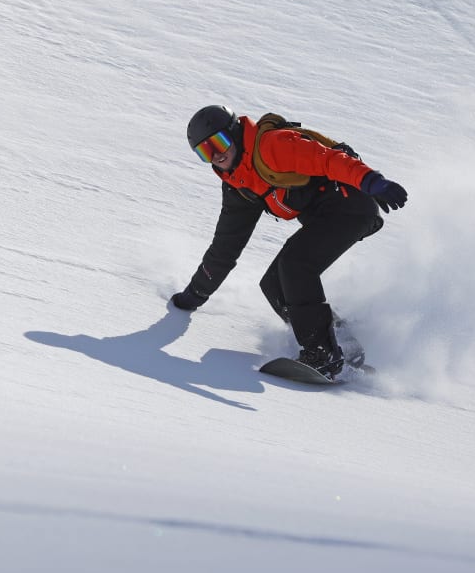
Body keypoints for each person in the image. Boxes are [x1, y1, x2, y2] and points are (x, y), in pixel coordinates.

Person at [171, 105, 407, 377]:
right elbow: (225, 247)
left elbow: (329, 160)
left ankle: (322, 354)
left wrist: (372, 181)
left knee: (296, 266)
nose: (217, 155)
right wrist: (195, 295)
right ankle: (340, 340)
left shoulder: (272, 146)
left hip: (350, 205)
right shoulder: (240, 187)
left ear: (234, 134)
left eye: (218, 143)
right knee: (273, 284)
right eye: (205, 152)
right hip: (327, 216)